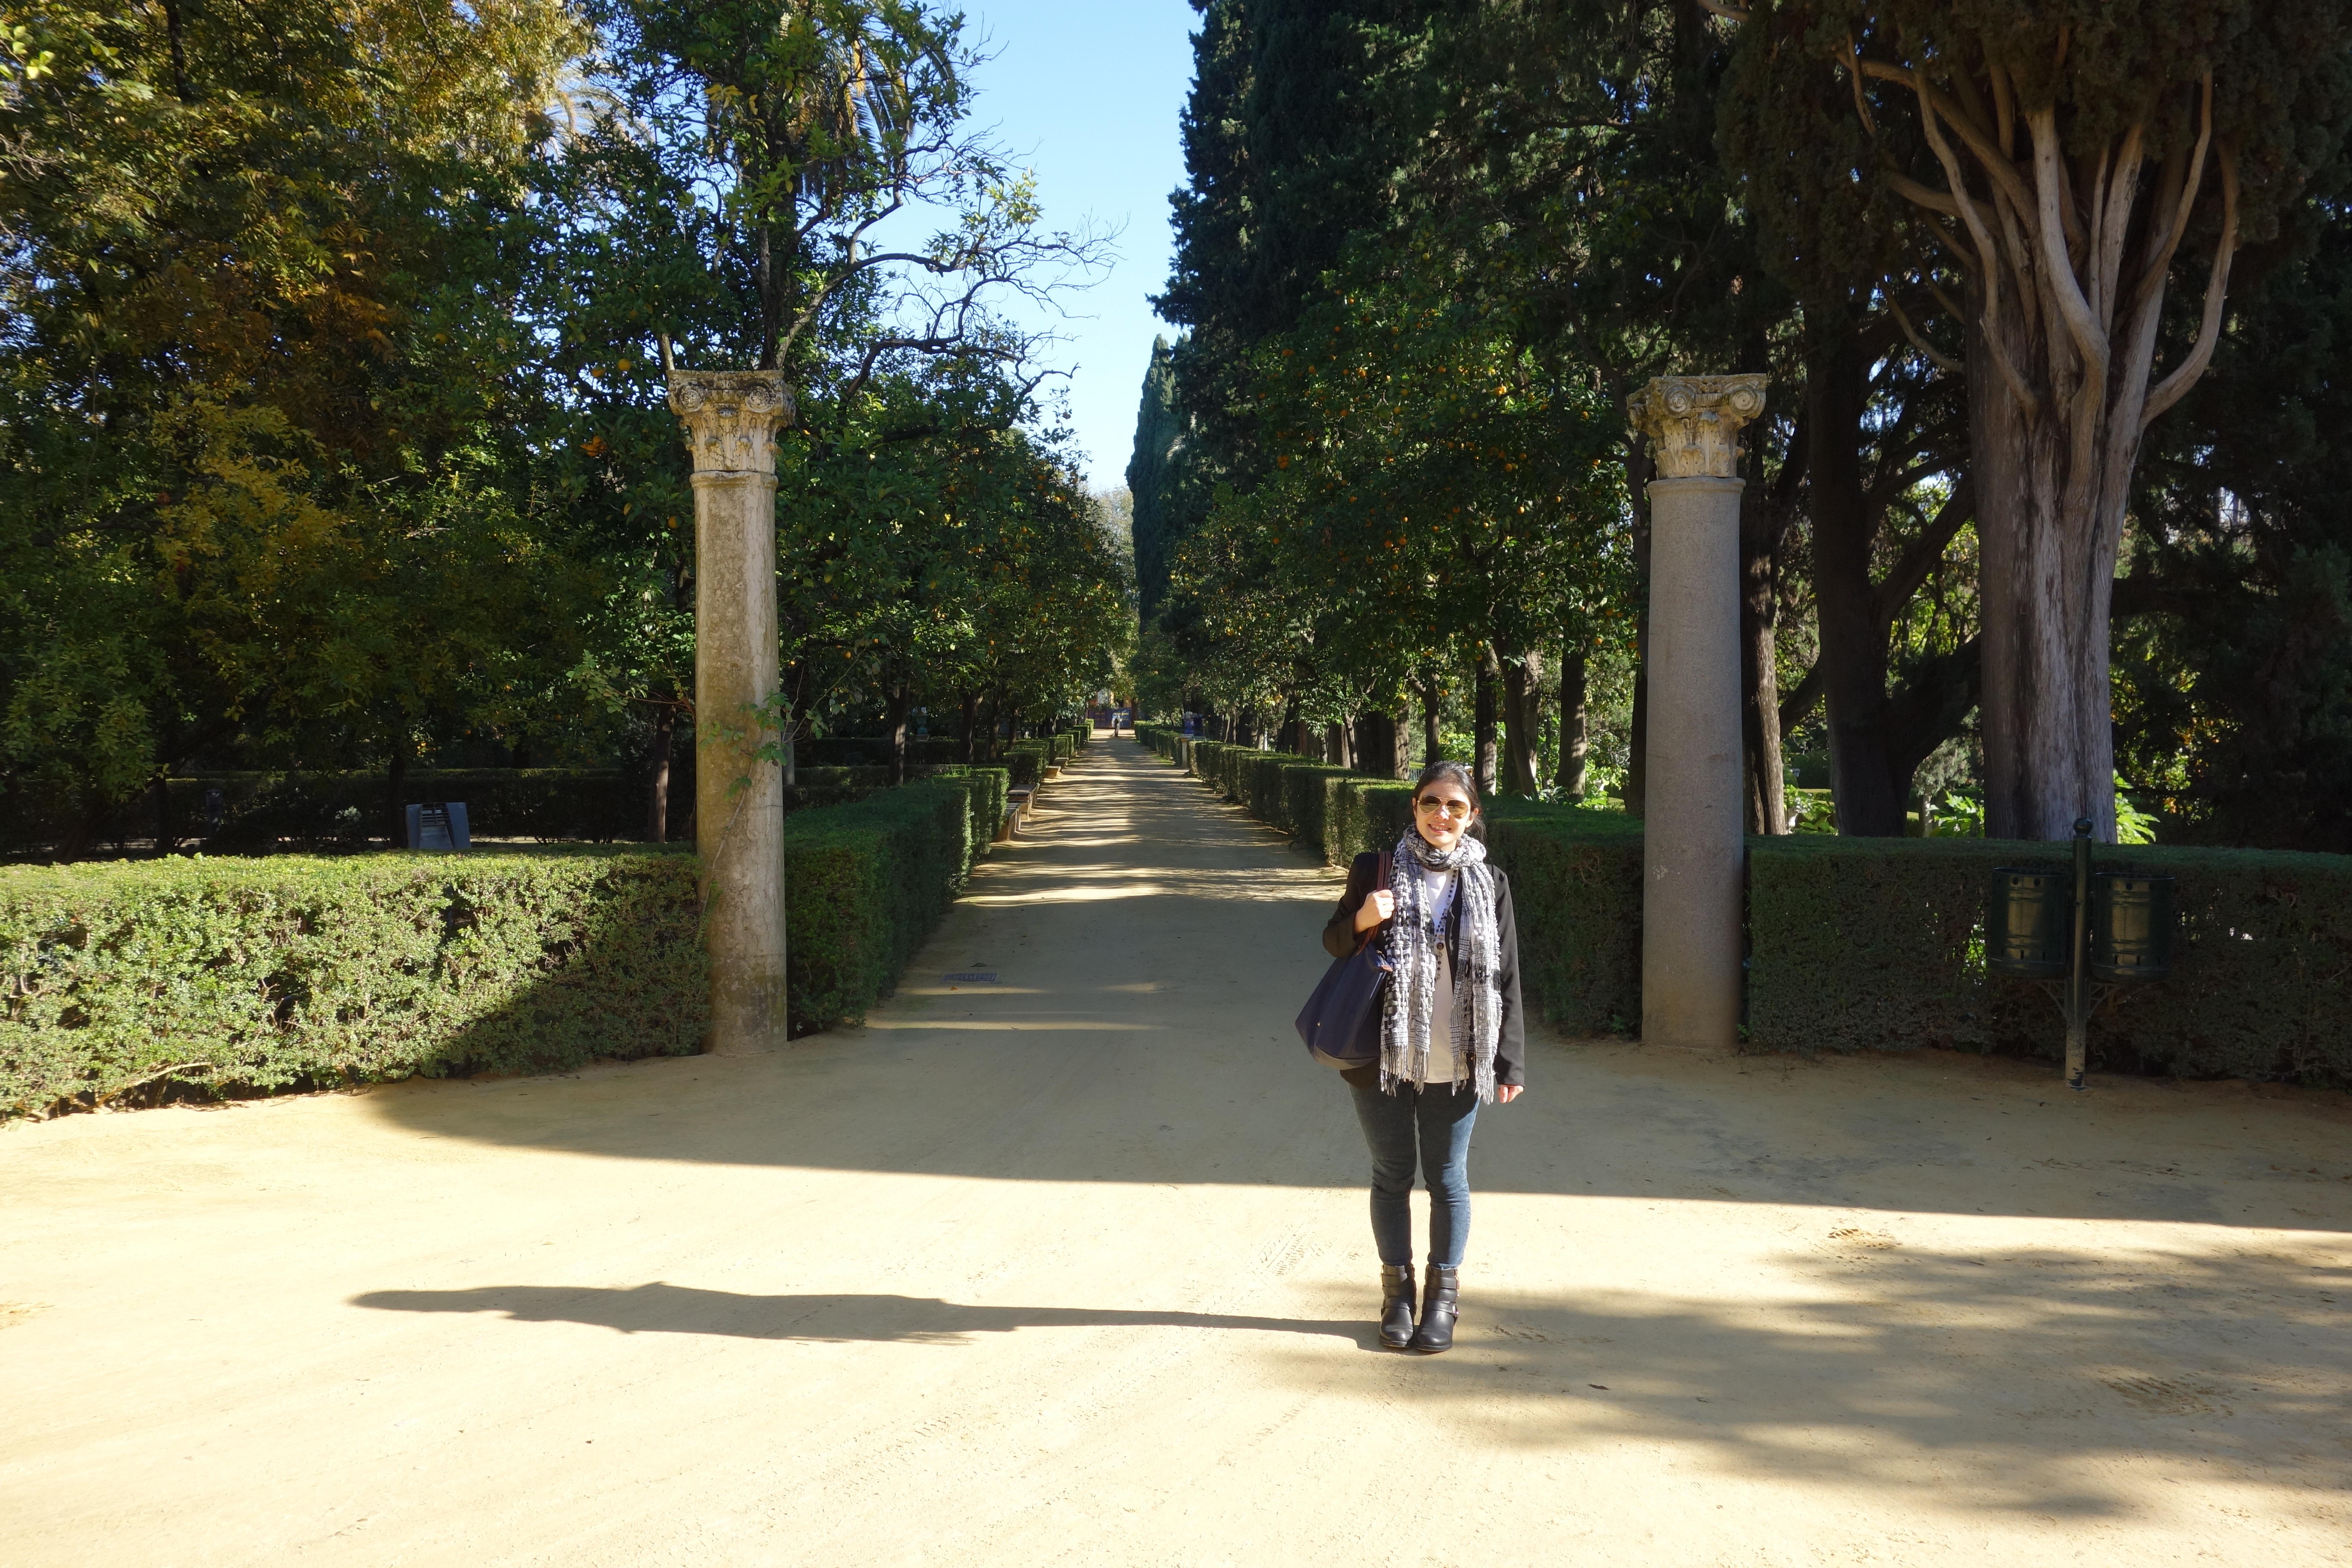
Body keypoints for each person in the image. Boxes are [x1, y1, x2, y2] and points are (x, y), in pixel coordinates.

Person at [1320, 759, 1525, 1353]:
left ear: (1472, 817)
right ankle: (1397, 1293)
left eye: (1455, 807)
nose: (1442, 815)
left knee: (1448, 1179)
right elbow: (1334, 942)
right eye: (1432, 802)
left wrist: (1509, 1060)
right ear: (1415, 808)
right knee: (1391, 1175)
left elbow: (1508, 974)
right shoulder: (1375, 869)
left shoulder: (1491, 884)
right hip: (1380, 1055)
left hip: (1459, 1056)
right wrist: (1364, 917)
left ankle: (1442, 1299)